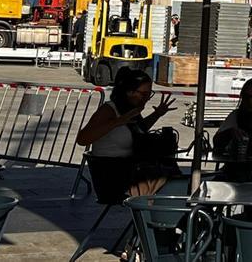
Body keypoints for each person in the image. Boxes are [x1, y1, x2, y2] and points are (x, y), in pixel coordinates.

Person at [75, 68, 179, 196]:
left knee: (170, 171)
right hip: (113, 177)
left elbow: (139, 130)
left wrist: (157, 114)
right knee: (172, 181)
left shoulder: (131, 110)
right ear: (129, 92)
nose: (147, 98)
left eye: (149, 94)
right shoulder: (109, 110)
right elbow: (82, 139)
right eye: (143, 94)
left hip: (129, 171)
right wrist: (117, 122)